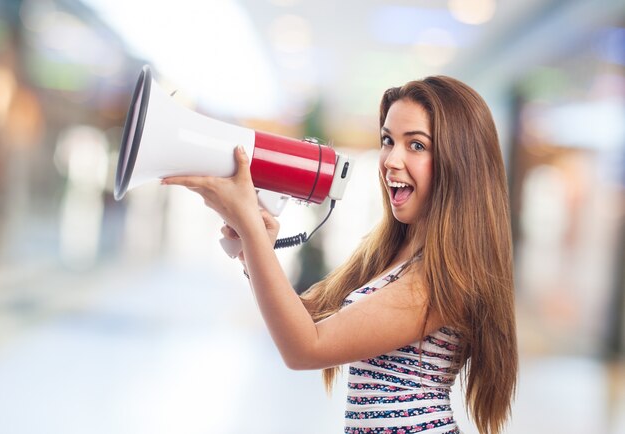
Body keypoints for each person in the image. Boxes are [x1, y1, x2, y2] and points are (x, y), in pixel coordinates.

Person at [161, 76, 518, 434]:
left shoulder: (441, 278)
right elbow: (305, 318)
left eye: (417, 146)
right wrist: (253, 249)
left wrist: (252, 233)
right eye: (388, 140)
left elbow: (305, 348)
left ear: (461, 162)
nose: (391, 160)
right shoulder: (395, 254)